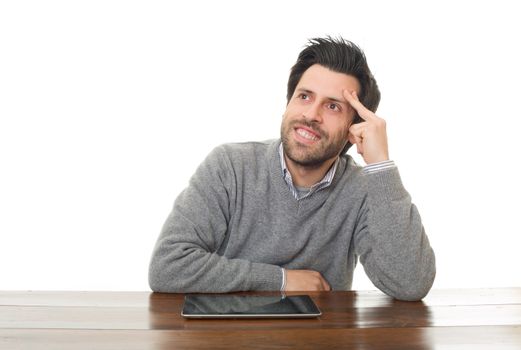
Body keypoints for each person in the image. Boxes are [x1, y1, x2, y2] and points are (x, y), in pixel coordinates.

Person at [148, 37, 436, 301]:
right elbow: (168, 266)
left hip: (320, 340)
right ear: (287, 104)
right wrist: (281, 280)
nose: (311, 115)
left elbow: (410, 284)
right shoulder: (230, 167)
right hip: (227, 337)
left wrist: (381, 165)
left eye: (333, 107)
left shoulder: (362, 190)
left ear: (354, 128)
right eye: (304, 96)